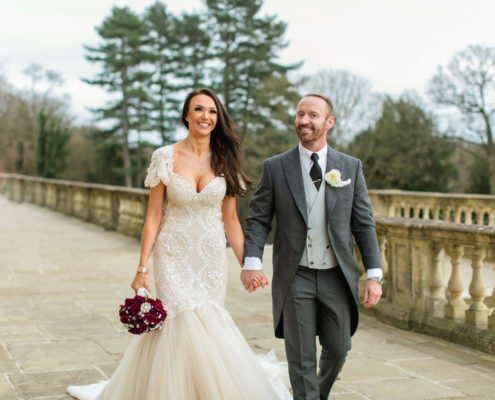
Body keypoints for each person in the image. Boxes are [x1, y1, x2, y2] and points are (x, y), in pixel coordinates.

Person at [67, 88, 290, 400]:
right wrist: (142, 268)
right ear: (186, 115)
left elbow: (231, 221)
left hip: (211, 256)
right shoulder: (165, 158)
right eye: (199, 110)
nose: (206, 117)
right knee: (180, 319)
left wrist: (248, 265)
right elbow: (153, 216)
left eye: (212, 111)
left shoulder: (226, 159)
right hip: (172, 253)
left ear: (218, 118)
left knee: (208, 322)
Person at [241, 94, 383, 400]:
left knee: (338, 348)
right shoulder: (275, 167)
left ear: (329, 122)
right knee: (301, 357)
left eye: (313, 115)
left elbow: (363, 224)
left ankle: (313, 395)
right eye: (299, 114)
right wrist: (251, 260)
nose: (304, 121)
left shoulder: (351, 167)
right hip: (296, 277)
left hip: (337, 275)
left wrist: (374, 274)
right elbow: (258, 220)